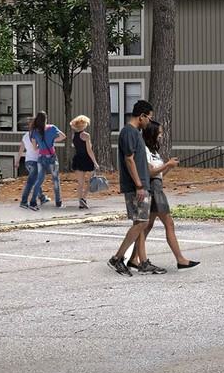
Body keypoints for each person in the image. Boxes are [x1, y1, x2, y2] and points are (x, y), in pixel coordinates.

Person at [132, 120, 199, 271]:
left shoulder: (154, 151)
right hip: (153, 190)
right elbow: (149, 173)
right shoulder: (144, 150)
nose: (161, 135)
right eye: (159, 133)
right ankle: (180, 260)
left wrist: (169, 167)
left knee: (146, 226)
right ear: (152, 133)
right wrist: (167, 164)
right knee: (168, 223)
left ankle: (134, 258)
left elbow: (159, 174)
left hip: (157, 187)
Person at [109, 99, 155, 276]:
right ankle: (117, 258)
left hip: (141, 184)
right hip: (136, 186)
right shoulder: (129, 132)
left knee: (140, 223)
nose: (149, 122)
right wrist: (139, 185)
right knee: (142, 222)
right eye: (149, 118)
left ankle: (142, 262)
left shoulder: (135, 133)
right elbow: (129, 159)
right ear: (141, 116)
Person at [30, 112, 65, 208]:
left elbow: (34, 148)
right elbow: (63, 136)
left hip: (41, 158)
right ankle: (58, 202)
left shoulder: (34, 131)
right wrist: (53, 140)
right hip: (52, 157)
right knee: (55, 180)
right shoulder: (52, 128)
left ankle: (33, 201)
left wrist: (40, 145)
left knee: (39, 180)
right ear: (46, 119)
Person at [70, 115, 99, 209]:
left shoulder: (73, 135)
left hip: (78, 158)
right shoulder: (86, 135)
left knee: (80, 183)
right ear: (83, 125)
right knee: (91, 180)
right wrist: (95, 162)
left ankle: (80, 201)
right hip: (87, 159)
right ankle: (84, 198)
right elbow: (89, 150)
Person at [17, 124, 42, 211]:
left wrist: (17, 161)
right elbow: (37, 148)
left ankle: (42, 197)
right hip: (35, 161)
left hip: (27, 161)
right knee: (30, 182)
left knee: (36, 180)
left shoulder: (25, 136)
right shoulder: (37, 135)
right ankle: (23, 202)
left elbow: (21, 149)